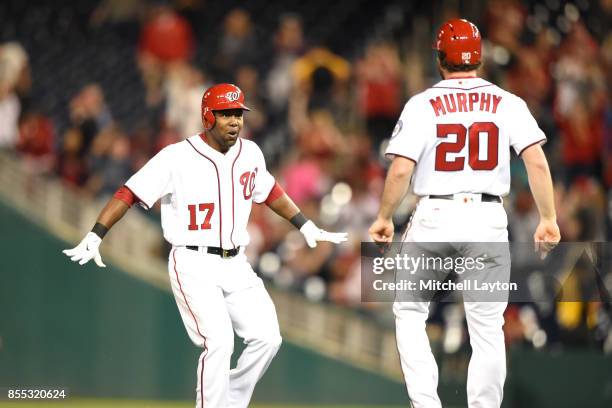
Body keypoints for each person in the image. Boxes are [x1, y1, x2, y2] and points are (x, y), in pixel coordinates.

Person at [63, 83, 347, 408]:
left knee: (268, 339)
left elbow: (268, 191)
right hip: (193, 261)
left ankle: (231, 403)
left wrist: (305, 224)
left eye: (238, 113)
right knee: (220, 343)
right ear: (207, 116)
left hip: (236, 263)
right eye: (226, 113)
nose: (234, 121)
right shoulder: (177, 156)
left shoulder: (250, 153)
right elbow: (129, 192)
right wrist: (97, 233)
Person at [368, 19, 561, 408]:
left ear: (440, 58)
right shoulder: (507, 102)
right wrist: (549, 218)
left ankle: (425, 404)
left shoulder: (422, 103)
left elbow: (402, 168)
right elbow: (537, 162)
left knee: (409, 312)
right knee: (487, 327)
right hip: (487, 218)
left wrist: (385, 216)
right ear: (480, 58)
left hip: (435, 214)